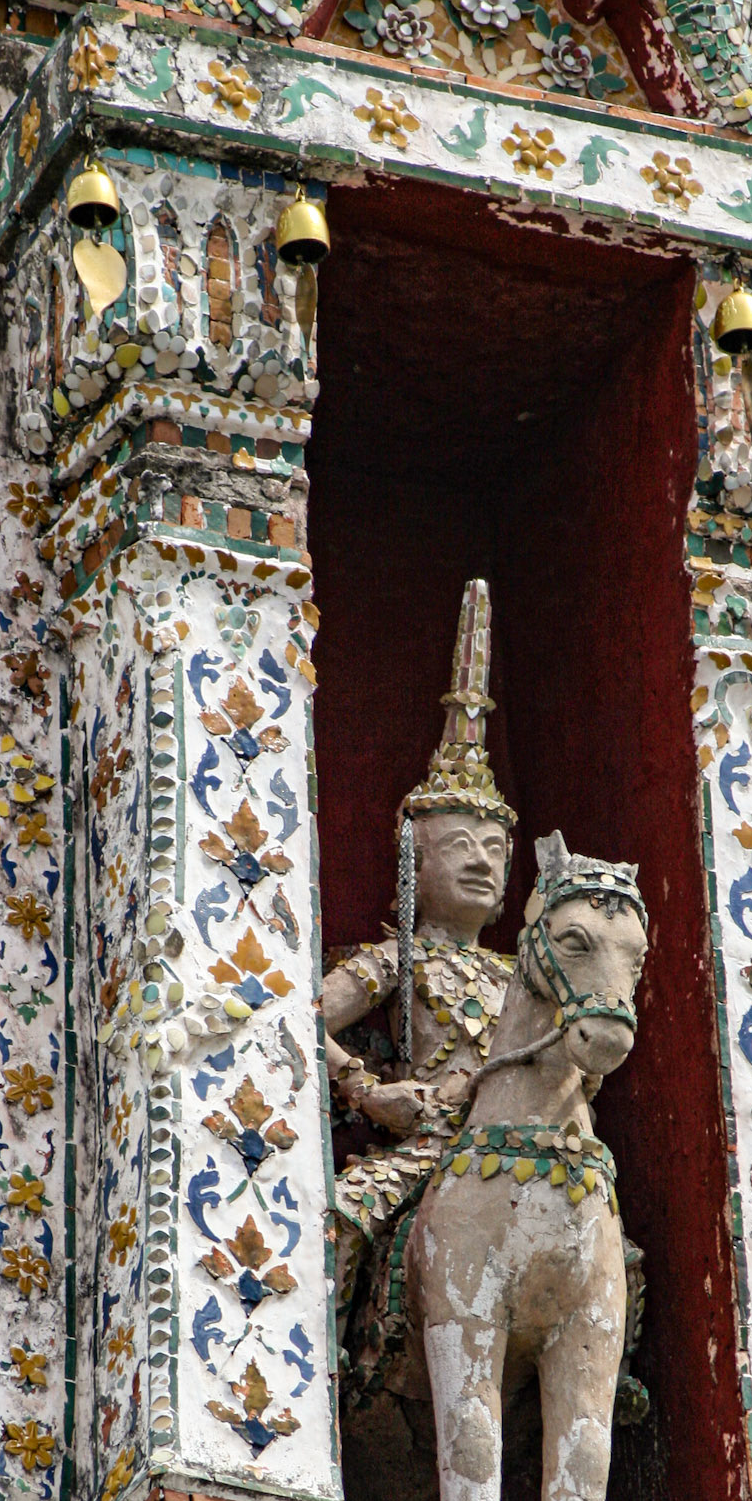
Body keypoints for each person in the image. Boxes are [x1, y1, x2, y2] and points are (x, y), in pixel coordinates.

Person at [323, 580, 517, 1357]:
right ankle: (325, 1363)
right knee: (340, 1218)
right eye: (459, 847)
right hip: (427, 1143)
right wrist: (370, 1092)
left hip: (509, 1144)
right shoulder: (396, 960)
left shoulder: (521, 976)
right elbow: (300, 1020)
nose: (482, 863)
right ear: (415, 865)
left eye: (495, 851)